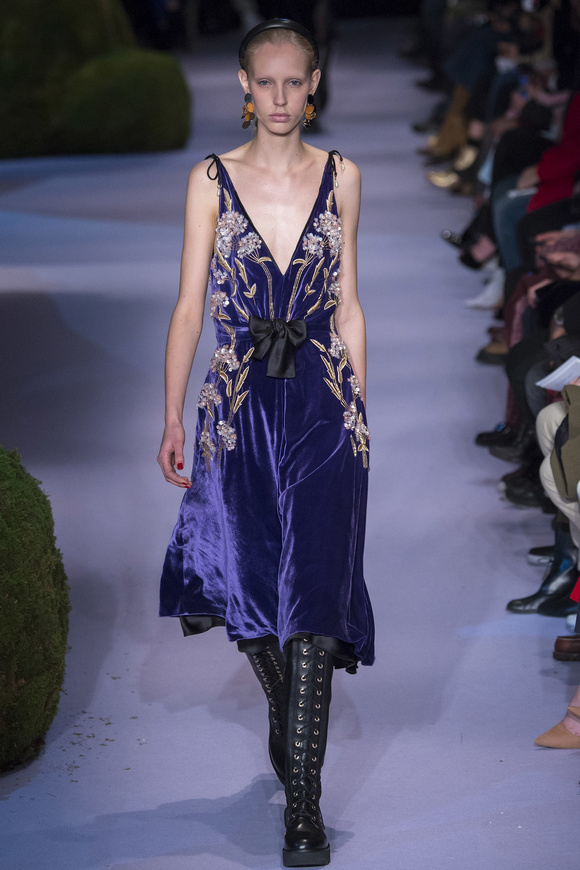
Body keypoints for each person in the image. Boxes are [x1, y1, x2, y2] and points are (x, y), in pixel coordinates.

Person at [156, 18, 375, 867]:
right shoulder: (210, 180)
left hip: (323, 402)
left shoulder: (343, 176)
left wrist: (361, 413)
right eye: (266, 82)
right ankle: (288, 719)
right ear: (245, 87)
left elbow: (348, 302)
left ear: (313, 83)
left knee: (314, 597)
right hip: (237, 406)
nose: (281, 97)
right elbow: (189, 306)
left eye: (295, 81)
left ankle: (304, 810)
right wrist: (173, 415)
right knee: (250, 596)